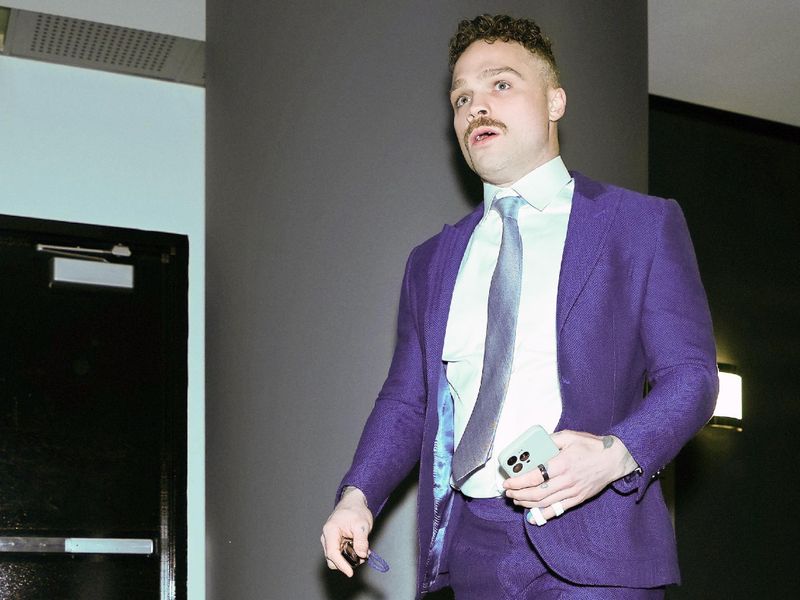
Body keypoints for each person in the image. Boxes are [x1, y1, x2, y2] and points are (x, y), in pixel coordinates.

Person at [321, 13, 717, 599]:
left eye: (500, 85)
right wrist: (357, 495)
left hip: (599, 545)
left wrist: (615, 457)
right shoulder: (430, 262)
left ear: (555, 101)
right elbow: (408, 401)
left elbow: (691, 377)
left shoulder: (639, 224)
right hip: (477, 549)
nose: (476, 107)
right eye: (462, 98)